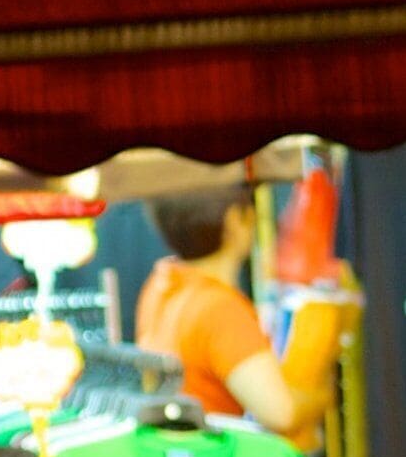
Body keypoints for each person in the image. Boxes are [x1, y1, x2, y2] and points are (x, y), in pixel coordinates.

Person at [135, 186, 333, 439]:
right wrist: (323, 396)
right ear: (234, 220)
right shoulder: (218, 308)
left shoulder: (160, 283)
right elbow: (280, 413)